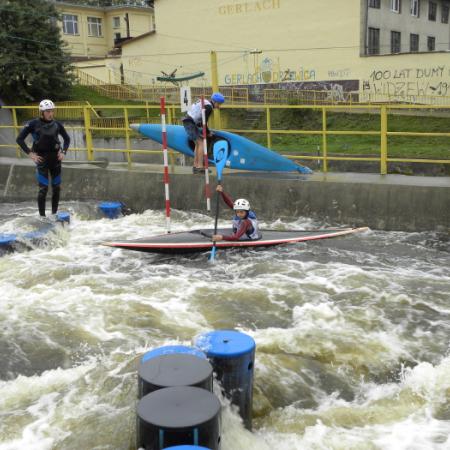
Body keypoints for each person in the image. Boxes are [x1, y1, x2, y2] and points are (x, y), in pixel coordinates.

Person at [16, 99, 70, 218]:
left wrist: (63, 152)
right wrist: (30, 154)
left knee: (56, 188)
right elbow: (19, 139)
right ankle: (42, 217)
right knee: (43, 189)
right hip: (42, 161)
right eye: (48, 111)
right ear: (42, 112)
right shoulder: (33, 124)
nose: (51, 113)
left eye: (52, 111)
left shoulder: (57, 124)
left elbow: (67, 139)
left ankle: (54, 214)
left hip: (55, 160)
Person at [182, 92, 225, 174]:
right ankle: (200, 167)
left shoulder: (205, 102)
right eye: (219, 104)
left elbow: (200, 120)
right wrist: (208, 132)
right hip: (189, 122)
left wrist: (206, 130)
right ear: (215, 102)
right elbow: (204, 122)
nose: (219, 106)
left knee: (198, 144)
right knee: (201, 143)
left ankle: (196, 166)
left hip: (189, 121)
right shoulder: (209, 107)